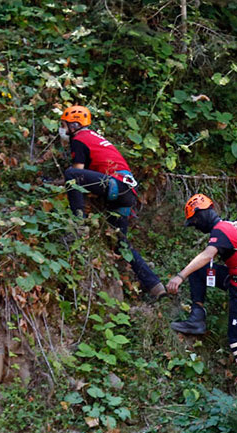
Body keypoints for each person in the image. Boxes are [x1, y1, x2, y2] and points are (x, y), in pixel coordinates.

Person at [58, 105, 166, 299]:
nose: (62, 130)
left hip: (114, 184)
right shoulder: (94, 138)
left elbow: (77, 173)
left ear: (74, 125)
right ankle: (155, 285)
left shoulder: (79, 139)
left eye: (64, 125)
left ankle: (78, 224)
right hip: (127, 190)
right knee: (120, 243)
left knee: (71, 174)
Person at [167, 194, 237, 399]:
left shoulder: (221, 231)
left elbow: (207, 255)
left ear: (201, 215)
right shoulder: (230, 227)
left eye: (194, 223)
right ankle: (197, 318)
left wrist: (180, 276)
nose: (196, 227)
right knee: (200, 272)